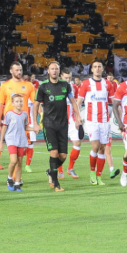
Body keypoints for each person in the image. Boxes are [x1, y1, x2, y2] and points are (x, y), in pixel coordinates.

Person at [31, 62, 81, 192]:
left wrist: (78, 117)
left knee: (63, 155)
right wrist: (35, 123)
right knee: (54, 152)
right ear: (48, 71)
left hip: (63, 124)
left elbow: (73, 102)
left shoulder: (65, 85)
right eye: (52, 69)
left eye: (56, 69)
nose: (54, 71)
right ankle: (56, 183)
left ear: (59, 71)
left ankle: (51, 172)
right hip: (49, 124)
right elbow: (36, 105)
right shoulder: (43, 86)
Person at [77, 61, 118, 186]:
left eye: (99, 67)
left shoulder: (108, 84)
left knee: (102, 148)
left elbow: (114, 102)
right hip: (92, 120)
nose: (97, 69)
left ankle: (99, 176)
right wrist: (78, 117)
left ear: (103, 69)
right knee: (95, 146)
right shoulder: (86, 84)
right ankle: (92, 173)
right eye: (95, 67)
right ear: (92, 69)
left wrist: (121, 118)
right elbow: (78, 102)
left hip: (104, 121)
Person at [0, 93, 37, 192]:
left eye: (21, 101)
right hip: (11, 139)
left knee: (19, 162)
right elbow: (4, 127)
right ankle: (9, 178)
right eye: (17, 101)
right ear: (12, 103)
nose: (19, 103)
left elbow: (25, 127)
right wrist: (1, 142)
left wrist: (34, 129)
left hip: (21, 140)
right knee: (14, 161)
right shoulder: (9, 114)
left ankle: (17, 183)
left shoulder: (24, 114)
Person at [58, 70, 81, 179]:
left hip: (71, 120)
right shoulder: (55, 87)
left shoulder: (73, 87)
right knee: (59, 147)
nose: (68, 80)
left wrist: (78, 118)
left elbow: (76, 103)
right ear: (61, 76)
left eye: (69, 78)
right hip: (59, 121)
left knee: (77, 143)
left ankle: (70, 168)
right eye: (66, 78)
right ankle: (60, 171)